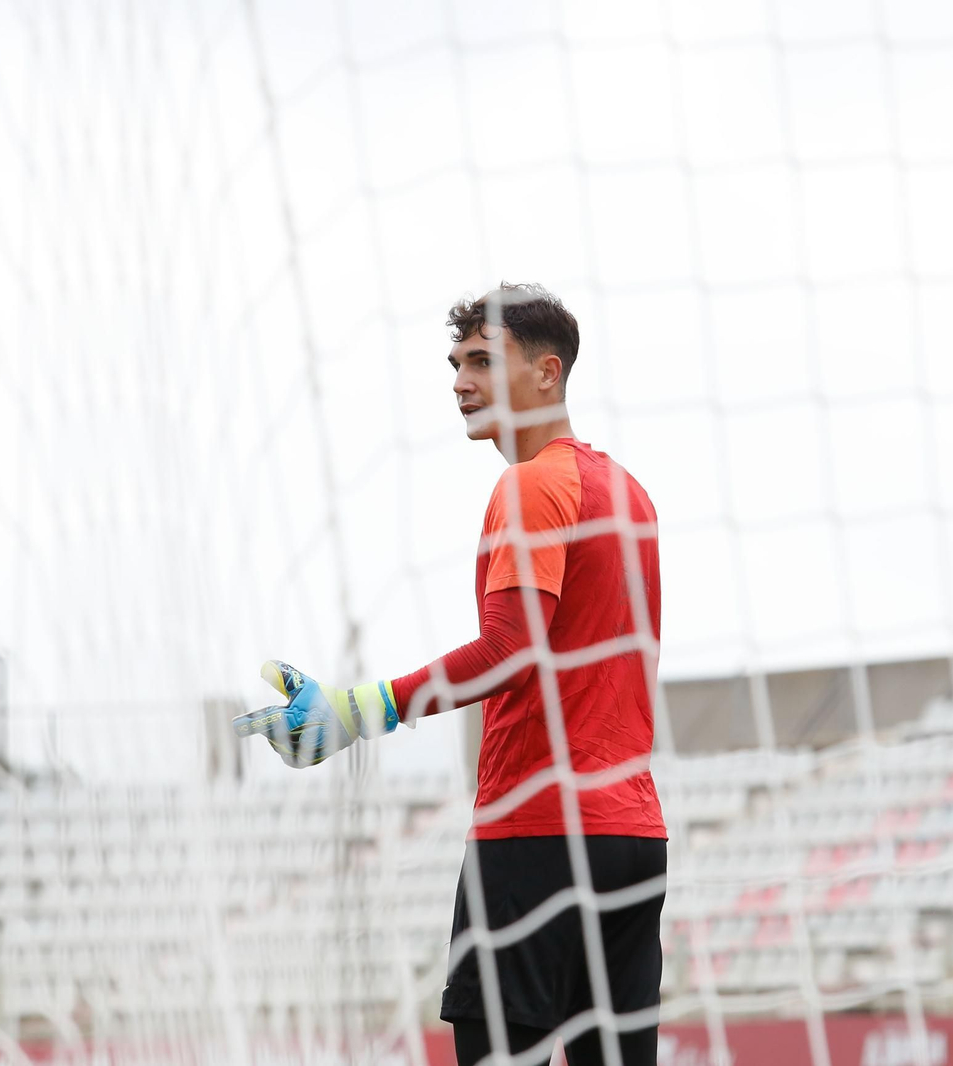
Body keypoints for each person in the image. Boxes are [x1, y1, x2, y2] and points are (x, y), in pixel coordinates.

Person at [233, 282, 667, 1066]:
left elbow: (510, 647)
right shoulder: (631, 493)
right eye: (454, 363)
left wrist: (358, 710)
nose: (460, 381)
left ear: (547, 372)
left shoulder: (533, 483)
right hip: (633, 837)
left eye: (481, 361)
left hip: (538, 833)